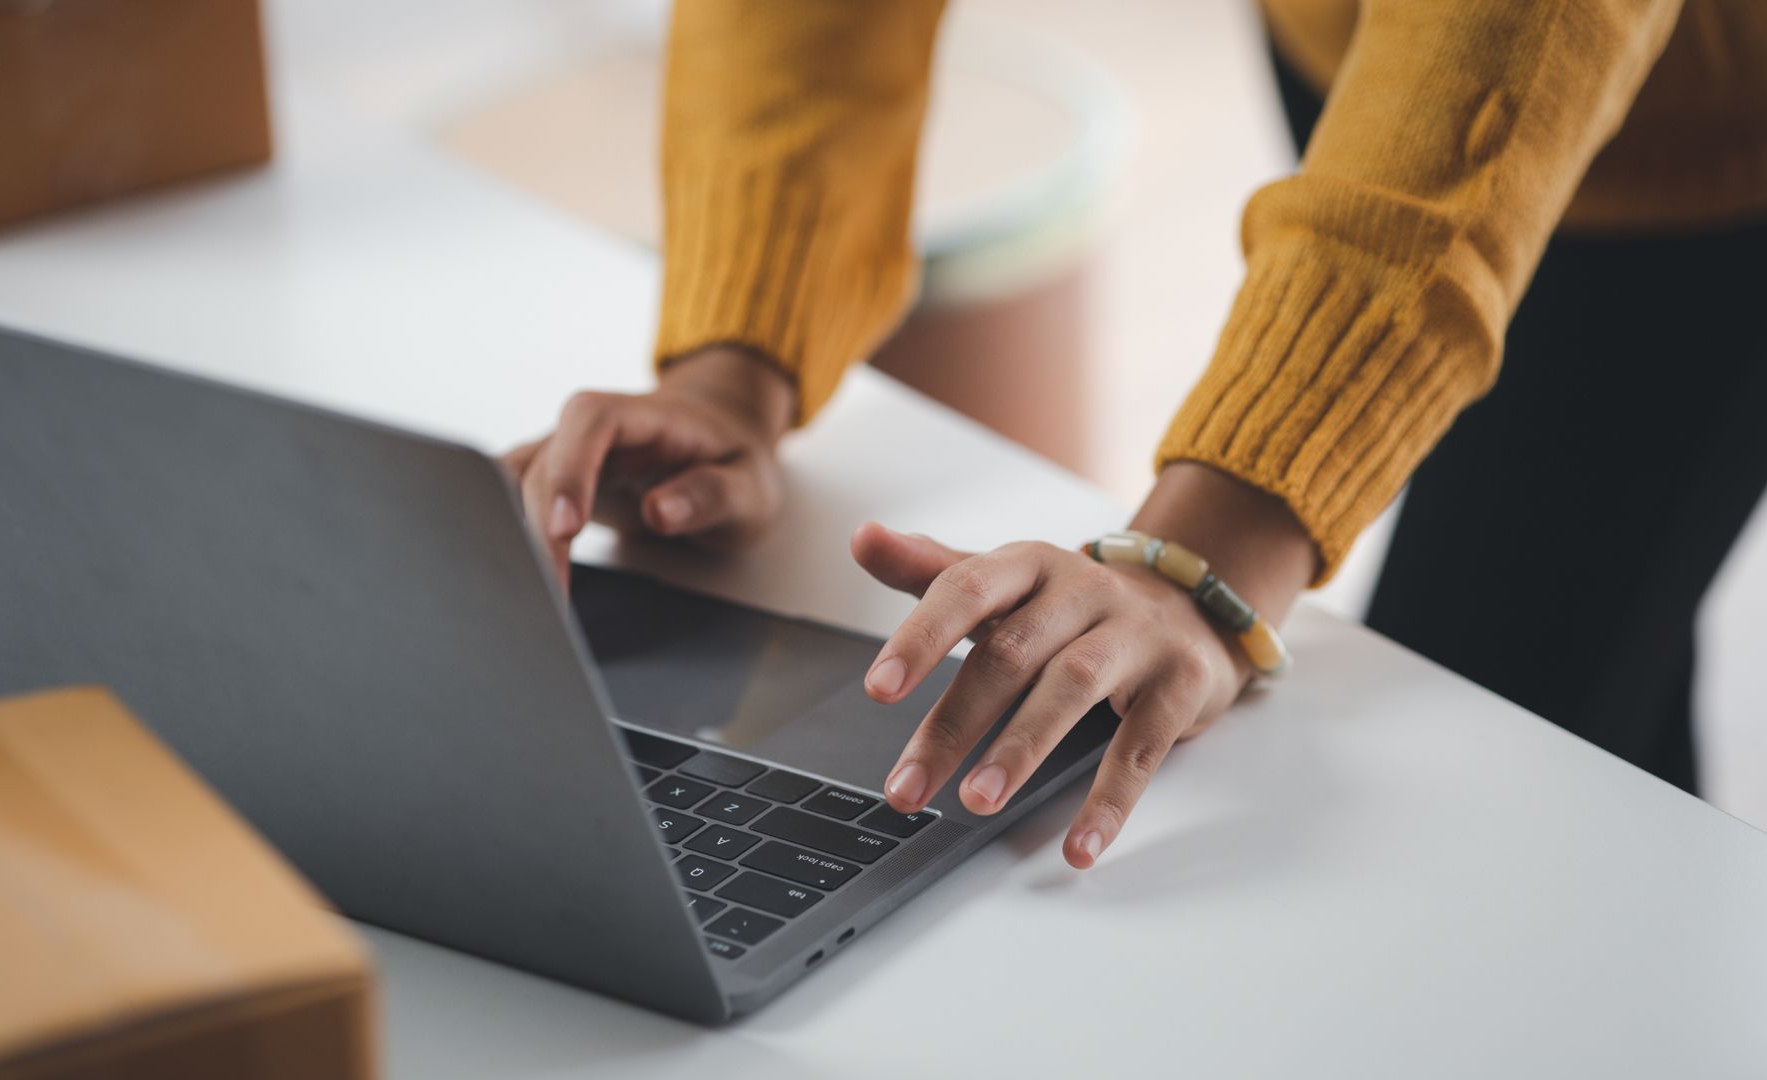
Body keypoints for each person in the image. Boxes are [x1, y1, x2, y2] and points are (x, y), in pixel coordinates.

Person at [507, 0, 1767, 867]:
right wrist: (738, 362)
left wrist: (1205, 557)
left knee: (1517, 730)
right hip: (1374, 47)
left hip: (1703, 129)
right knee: (1607, 703)